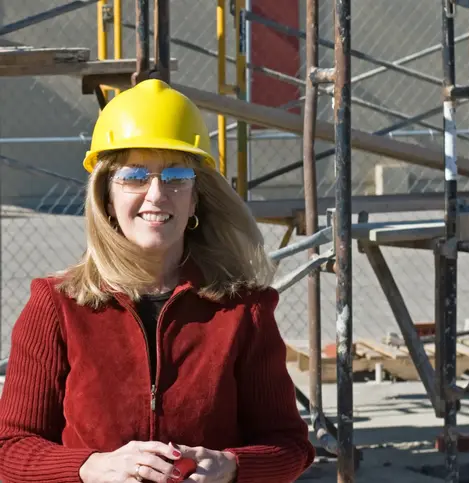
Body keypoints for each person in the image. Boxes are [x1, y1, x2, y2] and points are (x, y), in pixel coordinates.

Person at [0, 79, 315, 483]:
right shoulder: (57, 306)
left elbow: (290, 446)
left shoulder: (243, 310)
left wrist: (232, 465)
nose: (156, 194)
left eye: (176, 176)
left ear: (195, 199)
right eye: (134, 176)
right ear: (106, 197)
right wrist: (89, 467)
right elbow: (10, 448)